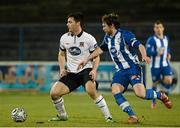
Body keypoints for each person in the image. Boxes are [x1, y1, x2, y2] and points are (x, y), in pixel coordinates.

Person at [78, 13, 172, 124]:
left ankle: (160, 95)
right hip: (121, 71)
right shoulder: (107, 38)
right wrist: (87, 59)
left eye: (104, 25)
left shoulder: (125, 35)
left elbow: (140, 45)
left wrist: (144, 55)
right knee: (115, 90)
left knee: (140, 94)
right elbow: (100, 49)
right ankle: (132, 116)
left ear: (111, 25)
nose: (103, 28)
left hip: (133, 68)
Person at [49, 12, 112, 122]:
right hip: (71, 73)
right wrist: (62, 68)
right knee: (54, 93)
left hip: (85, 70)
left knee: (91, 91)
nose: (67, 24)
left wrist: (94, 70)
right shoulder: (64, 38)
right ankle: (62, 116)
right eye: (67, 22)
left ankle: (108, 117)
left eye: (70, 22)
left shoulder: (89, 38)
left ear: (78, 23)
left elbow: (96, 56)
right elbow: (61, 54)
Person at [146, 20, 173, 108]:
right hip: (155, 65)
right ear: (154, 29)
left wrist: (168, 54)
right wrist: (156, 52)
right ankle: (154, 101)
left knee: (169, 80)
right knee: (155, 83)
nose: (159, 29)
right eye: (157, 27)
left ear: (163, 28)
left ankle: (165, 97)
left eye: (160, 27)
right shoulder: (151, 39)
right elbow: (148, 51)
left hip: (165, 64)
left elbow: (167, 48)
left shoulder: (166, 38)